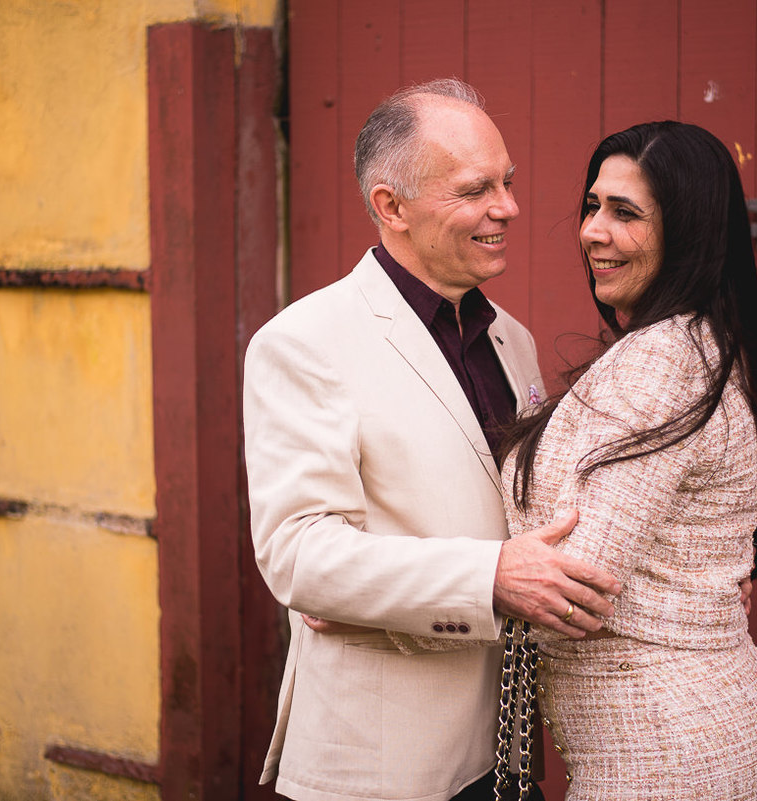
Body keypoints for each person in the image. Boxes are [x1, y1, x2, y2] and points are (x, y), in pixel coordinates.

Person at [242, 79, 622, 801]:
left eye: (507, 182)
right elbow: (298, 554)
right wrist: (489, 577)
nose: (507, 208)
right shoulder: (304, 342)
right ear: (392, 207)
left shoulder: (513, 340)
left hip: (505, 751)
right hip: (384, 763)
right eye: (475, 189)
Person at [393, 121, 757, 799]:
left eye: (625, 213)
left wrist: (379, 603)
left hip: (664, 752)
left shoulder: (660, 360)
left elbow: (576, 590)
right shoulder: (700, 342)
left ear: (688, 233)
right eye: (593, 206)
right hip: (693, 725)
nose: (593, 232)